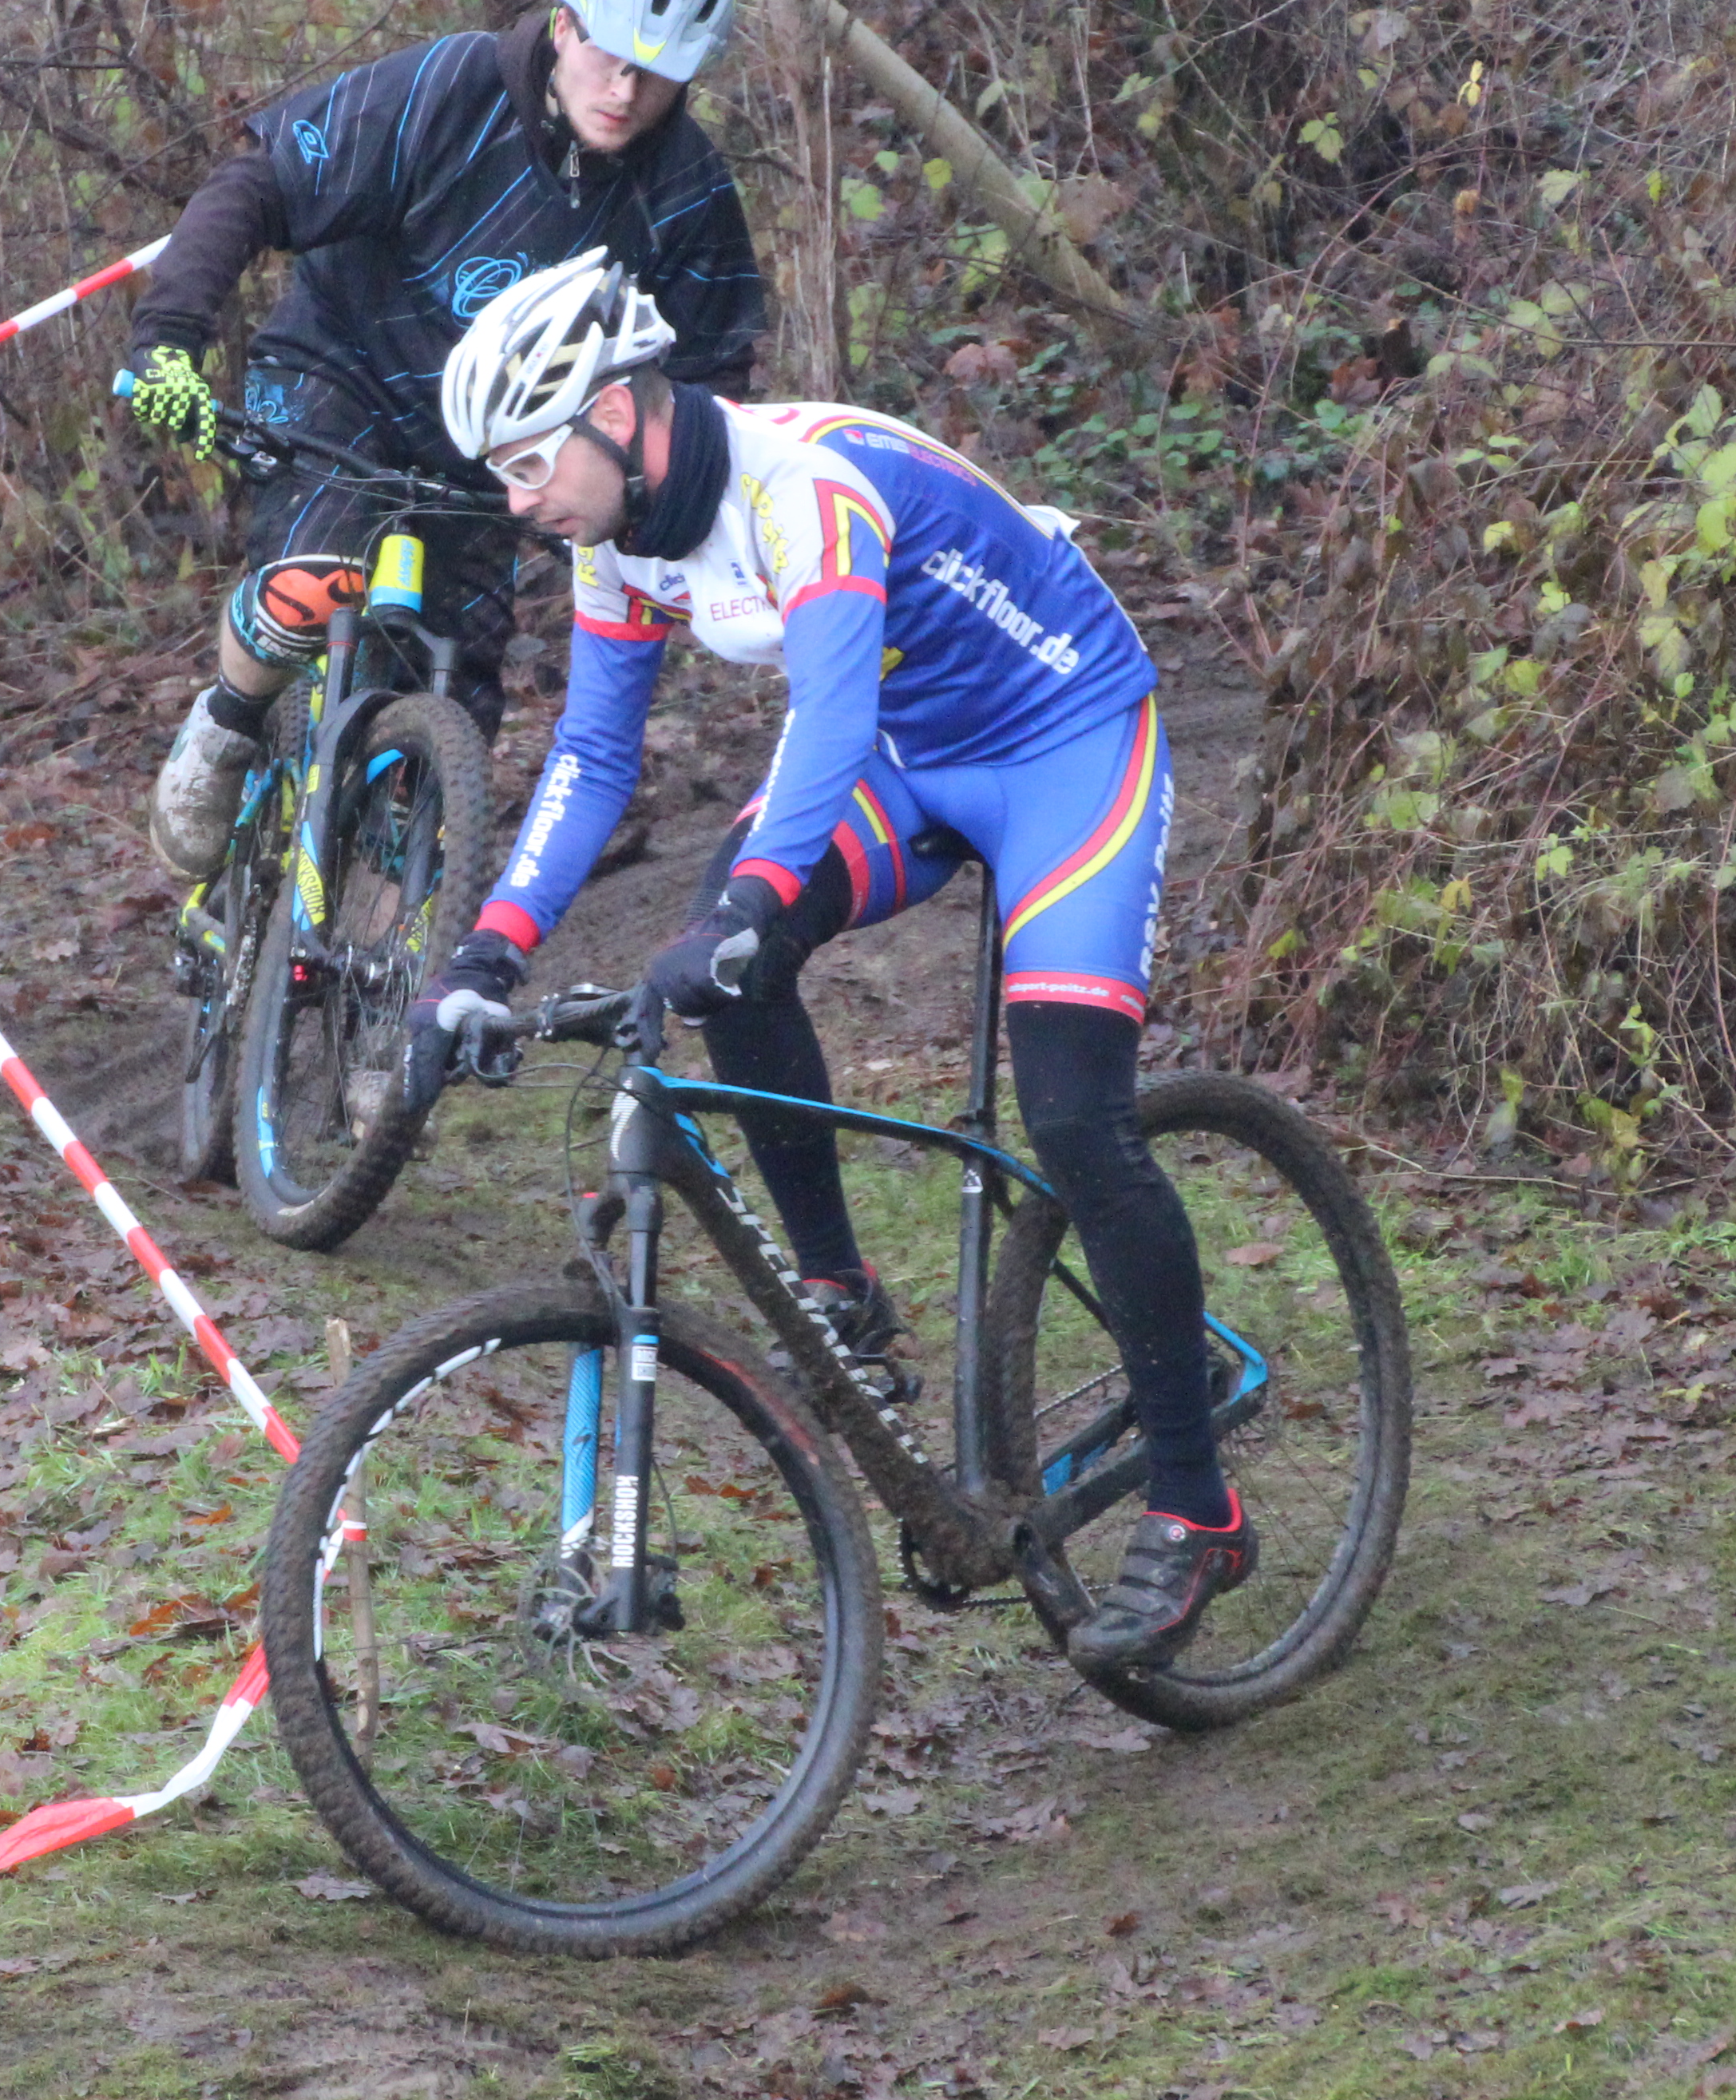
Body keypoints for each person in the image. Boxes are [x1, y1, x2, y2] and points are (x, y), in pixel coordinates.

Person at [402, 251, 1239, 1681]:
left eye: (528, 460)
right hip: (912, 757)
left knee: (1072, 1119)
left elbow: (829, 721)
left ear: (620, 413)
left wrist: (739, 897)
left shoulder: (805, 488)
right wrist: (483, 949)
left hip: (1062, 741)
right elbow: (593, 756)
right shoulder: (614, 542)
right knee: (732, 971)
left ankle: (1191, 1500)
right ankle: (841, 1295)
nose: (513, 498)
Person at [117, 0, 771, 880]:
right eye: (609, 59)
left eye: (660, 75)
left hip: (498, 458)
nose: (627, 93)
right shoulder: (449, 90)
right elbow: (257, 184)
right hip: (345, 379)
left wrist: (661, 508)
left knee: (456, 715)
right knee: (309, 585)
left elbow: (711, 377)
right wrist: (167, 343)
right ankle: (224, 723)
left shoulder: (686, 190)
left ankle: (390, 975)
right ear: (562, 28)